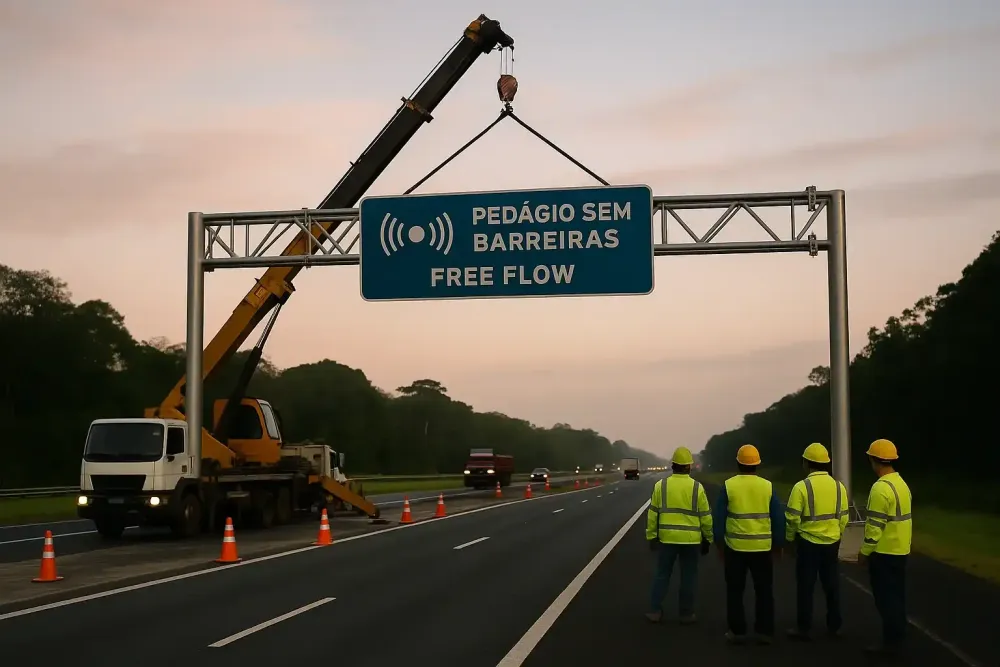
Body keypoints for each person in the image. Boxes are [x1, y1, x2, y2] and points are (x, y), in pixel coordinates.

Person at [712, 444, 785, 645]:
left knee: (735, 591)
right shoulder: (767, 486)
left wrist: (718, 543)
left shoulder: (729, 485)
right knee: (764, 591)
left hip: (735, 547)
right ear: (758, 464)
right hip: (762, 548)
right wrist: (779, 544)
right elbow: (778, 518)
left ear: (738, 463)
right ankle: (765, 631)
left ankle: (737, 631)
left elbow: (719, 517)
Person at [784, 443, 849, 641]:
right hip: (832, 542)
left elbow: (792, 518)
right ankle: (835, 625)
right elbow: (844, 516)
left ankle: (804, 627)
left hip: (807, 542)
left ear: (806, 463)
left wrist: (789, 539)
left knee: (805, 587)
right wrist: (836, 534)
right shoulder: (839, 487)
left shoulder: (801, 487)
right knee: (832, 585)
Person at [645, 447, 713, 624]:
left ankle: (655, 611)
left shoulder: (661, 486)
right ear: (689, 467)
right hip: (691, 541)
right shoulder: (697, 488)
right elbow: (705, 516)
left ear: (673, 465)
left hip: (667, 539)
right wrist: (708, 539)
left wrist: (652, 536)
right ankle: (686, 613)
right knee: (688, 576)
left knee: (662, 575)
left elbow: (653, 514)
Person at [858, 439, 912, 658]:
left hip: (884, 552)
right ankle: (898, 634)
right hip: (901, 550)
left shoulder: (880, 488)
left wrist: (864, 551)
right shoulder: (901, 483)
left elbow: (874, 527)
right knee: (897, 595)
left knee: (885, 598)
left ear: (873, 460)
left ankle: (892, 642)